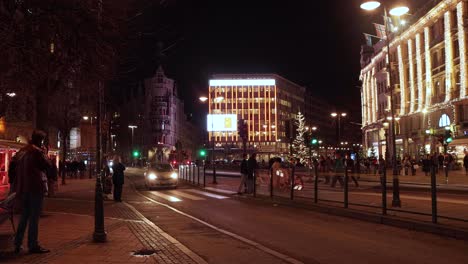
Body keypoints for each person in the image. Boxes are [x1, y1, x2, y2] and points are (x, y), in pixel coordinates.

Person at [13, 130, 51, 254]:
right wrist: (45, 153)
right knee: (34, 218)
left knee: (24, 217)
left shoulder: (23, 151)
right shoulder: (37, 152)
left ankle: (18, 243)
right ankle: (32, 244)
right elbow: (47, 165)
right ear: (40, 140)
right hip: (34, 187)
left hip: (23, 188)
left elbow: (13, 166)